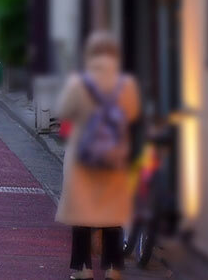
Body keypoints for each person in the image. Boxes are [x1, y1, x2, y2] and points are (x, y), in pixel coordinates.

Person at [55, 32, 141, 280]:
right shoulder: (126, 84)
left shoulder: (78, 83)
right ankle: (113, 269)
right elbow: (133, 113)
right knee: (112, 214)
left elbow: (63, 110)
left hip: (82, 157)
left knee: (81, 213)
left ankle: (84, 269)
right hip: (114, 156)